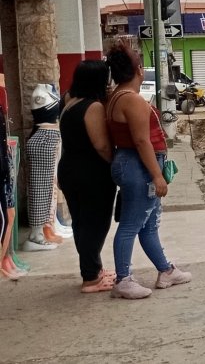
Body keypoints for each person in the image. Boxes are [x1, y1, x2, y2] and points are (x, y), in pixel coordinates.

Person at [105, 41, 191, 299]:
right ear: (139, 71)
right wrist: (156, 175)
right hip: (139, 166)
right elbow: (142, 141)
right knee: (132, 225)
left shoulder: (115, 97)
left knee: (149, 224)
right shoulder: (132, 101)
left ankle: (166, 270)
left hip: (129, 163)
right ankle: (123, 279)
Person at [58, 60, 117, 293]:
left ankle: (93, 269)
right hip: (91, 173)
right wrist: (117, 164)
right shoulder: (93, 107)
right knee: (96, 223)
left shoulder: (69, 100)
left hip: (70, 169)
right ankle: (91, 278)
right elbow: (102, 146)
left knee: (81, 223)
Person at [24, 84, 63, 251]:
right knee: (41, 189)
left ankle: (39, 232)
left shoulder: (44, 93)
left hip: (47, 137)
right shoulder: (41, 94)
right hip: (45, 138)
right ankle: (36, 235)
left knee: (45, 188)